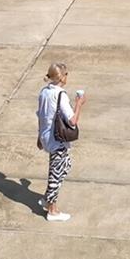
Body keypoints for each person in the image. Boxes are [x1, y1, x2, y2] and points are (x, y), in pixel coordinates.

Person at [37, 61, 84, 222]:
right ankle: (52, 210)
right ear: (62, 77)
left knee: (65, 166)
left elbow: (41, 116)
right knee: (55, 174)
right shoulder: (60, 95)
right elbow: (72, 121)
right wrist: (79, 104)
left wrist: (39, 137)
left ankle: (47, 198)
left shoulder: (44, 92)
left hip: (46, 136)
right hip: (57, 139)